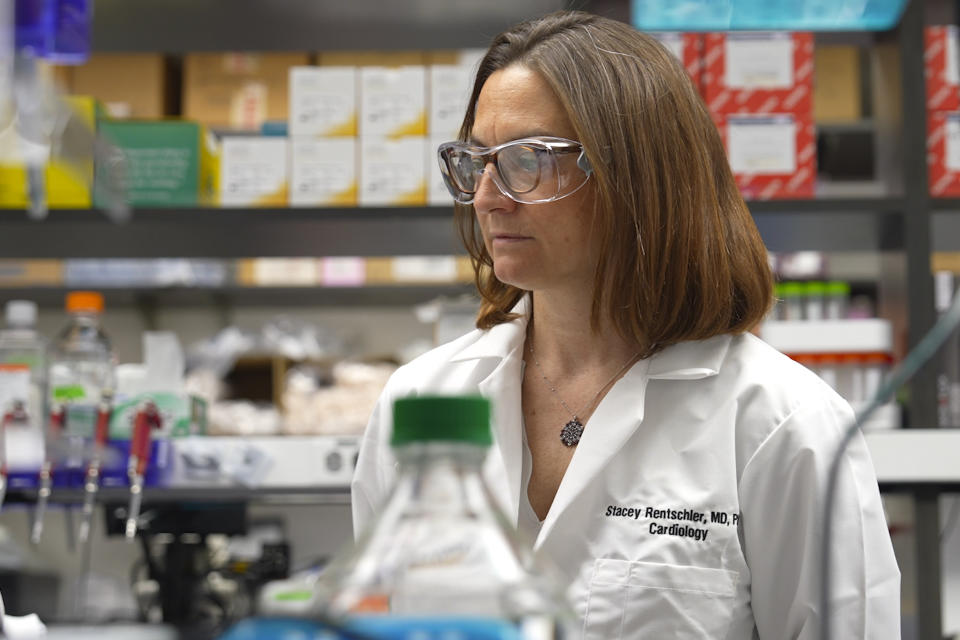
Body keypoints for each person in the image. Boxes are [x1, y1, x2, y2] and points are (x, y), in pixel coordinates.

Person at [352, 10, 900, 639]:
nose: (486, 195)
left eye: (529, 158)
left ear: (639, 175)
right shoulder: (421, 402)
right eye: (477, 160)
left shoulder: (781, 424)